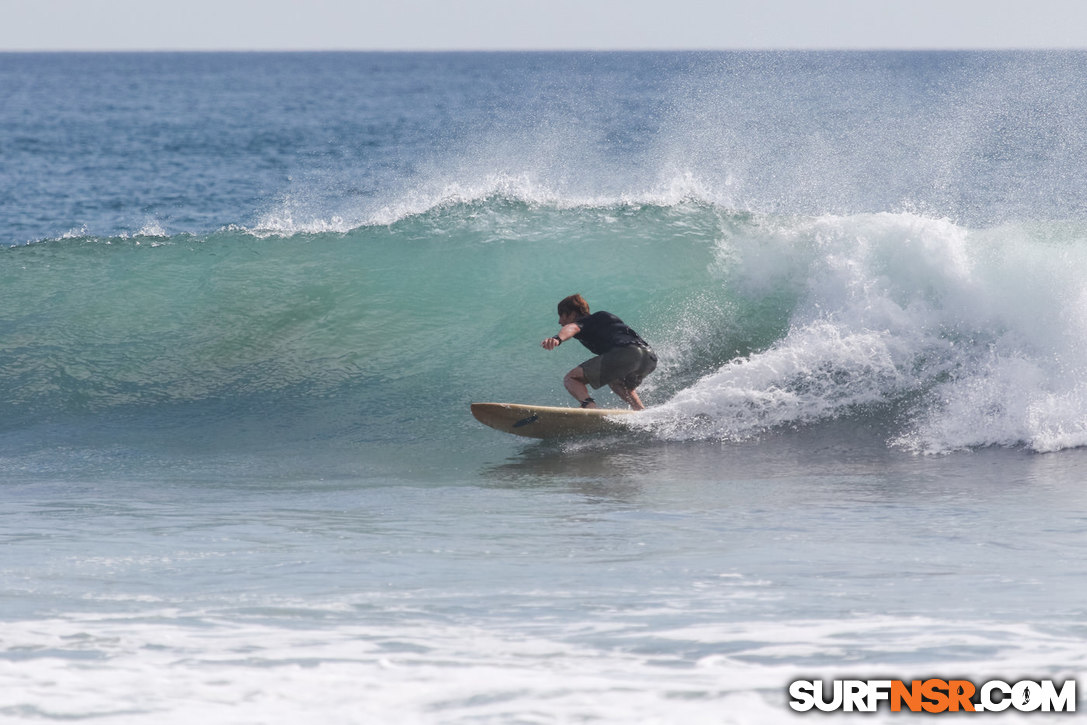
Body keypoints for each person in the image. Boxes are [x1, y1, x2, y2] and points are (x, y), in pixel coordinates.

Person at [540, 294, 657, 410]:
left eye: (562, 316)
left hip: (626, 352)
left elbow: (572, 328)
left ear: (573, 314)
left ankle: (589, 406)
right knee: (617, 383)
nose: (560, 321)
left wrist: (557, 338)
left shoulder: (585, 322)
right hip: (649, 358)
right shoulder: (603, 318)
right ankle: (639, 409)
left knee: (571, 378)